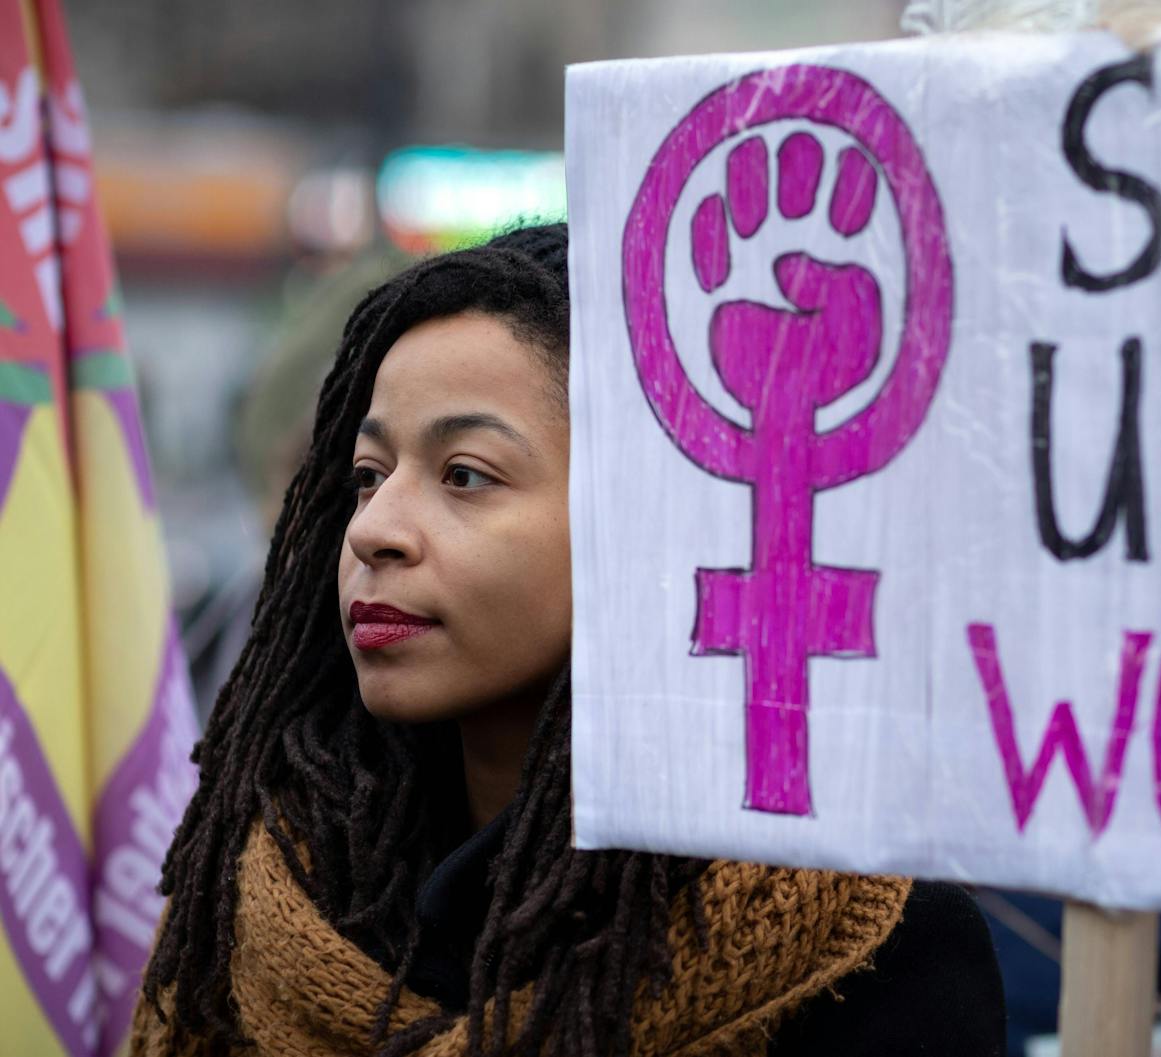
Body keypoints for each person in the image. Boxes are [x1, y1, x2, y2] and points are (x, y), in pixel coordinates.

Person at [134, 223, 1007, 1057]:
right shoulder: (248, 906)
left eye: (465, 474)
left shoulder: (870, 952)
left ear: (643, 515)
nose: (376, 530)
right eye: (368, 476)